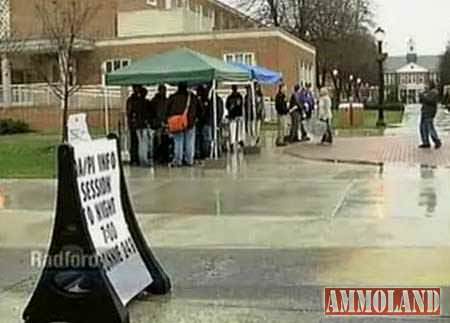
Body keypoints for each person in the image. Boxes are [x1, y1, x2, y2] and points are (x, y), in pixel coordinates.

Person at [167, 82, 199, 167]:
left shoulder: (173, 97)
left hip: (176, 123)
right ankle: (189, 160)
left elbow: (167, 109)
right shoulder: (192, 97)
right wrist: (196, 118)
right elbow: (200, 109)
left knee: (178, 142)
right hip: (190, 123)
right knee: (190, 142)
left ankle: (178, 161)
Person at [136, 87, 156, 167]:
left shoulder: (135, 103)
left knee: (140, 144)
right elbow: (152, 113)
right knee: (145, 143)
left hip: (138, 125)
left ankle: (141, 160)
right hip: (145, 125)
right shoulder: (147, 102)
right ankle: (144, 161)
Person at [419, 81, 442, 149]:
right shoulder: (427, 92)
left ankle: (437, 141)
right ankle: (425, 142)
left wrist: (422, 96)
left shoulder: (434, 92)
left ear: (431, 85)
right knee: (423, 127)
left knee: (430, 127)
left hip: (429, 112)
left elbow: (429, 100)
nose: (425, 86)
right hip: (424, 111)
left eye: (427, 85)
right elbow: (422, 101)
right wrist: (422, 95)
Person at [149, 84, 168, 163]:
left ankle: (162, 157)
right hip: (158, 124)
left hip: (163, 124)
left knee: (163, 141)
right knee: (158, 142)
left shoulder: (163, 100)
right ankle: (159, 157)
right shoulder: (156, 101)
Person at [226, 85, 244, 151]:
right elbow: (227, 106)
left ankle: (239, 141)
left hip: (239, 115)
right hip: (232, 116)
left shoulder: (240, 96)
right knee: (232, 129)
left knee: (239, 130)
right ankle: (232, 143)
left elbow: (241, 105)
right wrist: (231, 107)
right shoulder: (229, 97)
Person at [126, 85, 141, 165]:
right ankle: (134, 158)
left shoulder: (134, 100)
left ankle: (135, 158)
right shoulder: (132, 100)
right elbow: (129, 112)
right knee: (134, 142)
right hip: (134, 124)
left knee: (136, 142)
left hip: (135, 123)